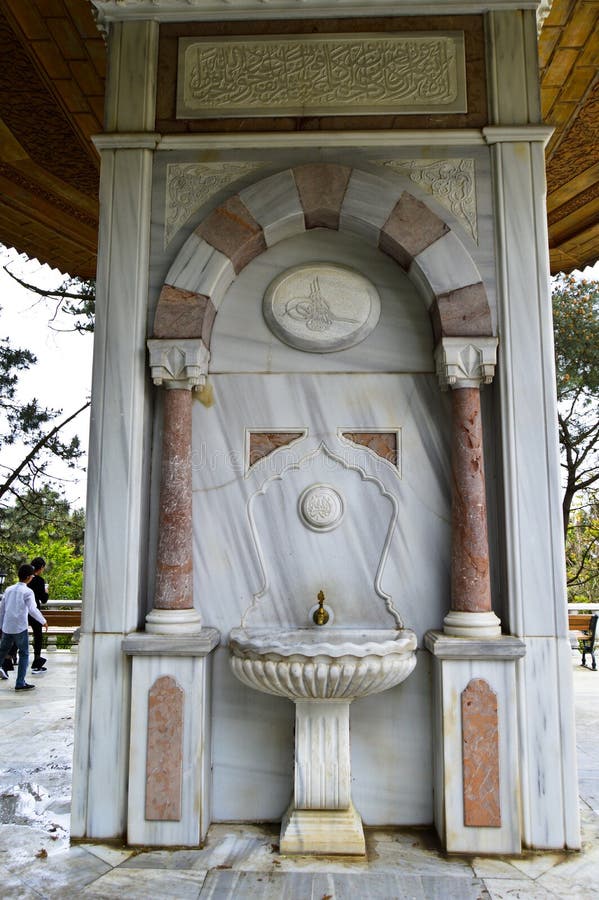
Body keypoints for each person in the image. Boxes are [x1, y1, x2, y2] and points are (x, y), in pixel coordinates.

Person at [0, 564, 47, 691]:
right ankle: (20, 682)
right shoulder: (27, 591)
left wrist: (1, 625)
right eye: (31, 576)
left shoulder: (8, 589)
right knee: (24, 654)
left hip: (7, 626)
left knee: (2, 651)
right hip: (20, 627)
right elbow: (32, 609)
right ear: (28, 577)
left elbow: (2, 609)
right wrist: (43, 621)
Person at [28, 556, 49, 673]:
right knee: (38, 636)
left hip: (23, 611)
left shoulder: (26, 579)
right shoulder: (40, 581)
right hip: (34, 611)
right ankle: (37, 661)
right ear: (41, 567)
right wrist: (46, 592)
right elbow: (43, 599)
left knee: (17, 634)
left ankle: (10, 658)